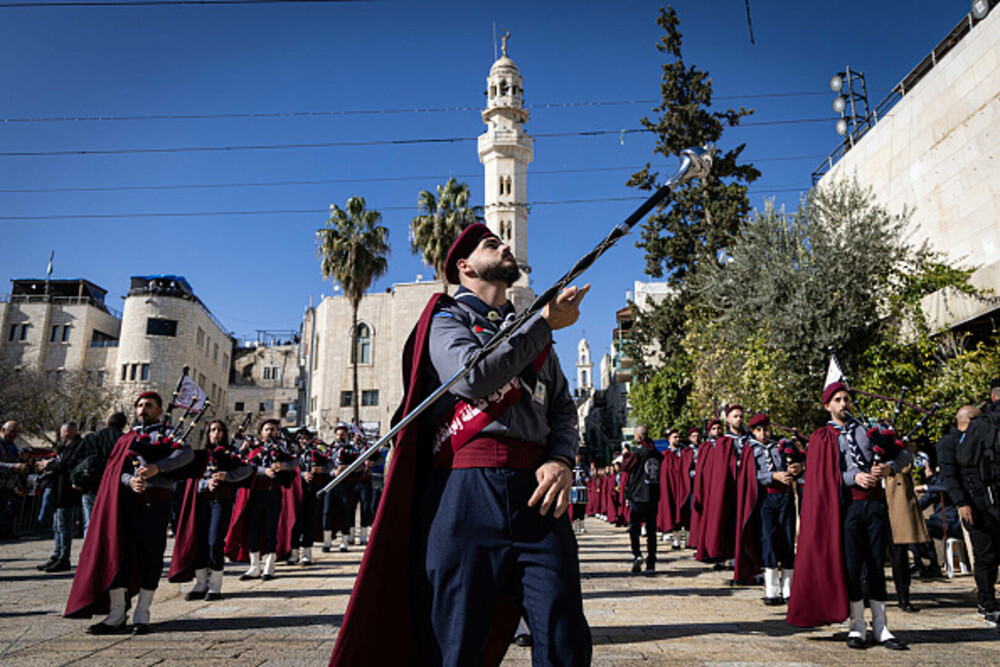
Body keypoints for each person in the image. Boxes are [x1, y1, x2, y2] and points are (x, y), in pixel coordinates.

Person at [329, 223, 591, 666]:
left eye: (502, 242)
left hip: (538, 493)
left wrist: (562, 458)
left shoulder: (533, 330)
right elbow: (473, 377)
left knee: (563, 635)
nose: (505, 246)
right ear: (465, 267)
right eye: (492, 244)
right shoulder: (447, 320)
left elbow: (563, 408)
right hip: (463, 491)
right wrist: (543, 325)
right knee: (456, 640)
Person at [787, 382, 908, 650]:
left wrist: (889, 468)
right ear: (827, 406)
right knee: (852, 567)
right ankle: (857, 625)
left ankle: (881, 626)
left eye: (846, 399)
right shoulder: (821, 437)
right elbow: (821, 476)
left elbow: (903, 453)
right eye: (838, 400)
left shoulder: (868, 429)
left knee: (876, 564)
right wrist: (853, 477)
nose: (844, 404)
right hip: (847, 508)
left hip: (875, 505)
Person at [65, 391, 195, 635]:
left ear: (159, 410)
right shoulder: (126, 438)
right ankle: (116, 615)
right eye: (140, 405)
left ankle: (142, 614)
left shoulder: (170, 434)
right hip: (126, 505)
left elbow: (186, 454)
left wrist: (157, 467)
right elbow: (116, 470)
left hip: (155, 504)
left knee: (150, 557)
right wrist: (129, 481)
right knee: (118, 555)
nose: (143, 409)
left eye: (149, 405)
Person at [169, 420, 253, 600]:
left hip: (221, 501)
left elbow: (247, 469)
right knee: (200, 540)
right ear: (207, 433)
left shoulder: (231, 453)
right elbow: (191, 480)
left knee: (215, 541)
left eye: (220, 430)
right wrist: (206, 484)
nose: (216, 433)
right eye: (212, 430)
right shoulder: (200, 455)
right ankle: (201, 584)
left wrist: (226, 476)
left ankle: (215, 585)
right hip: (201, 501)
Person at [939, 390, 1000, 615]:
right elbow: (950, 476)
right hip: (972, 505)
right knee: (984, 554)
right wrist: (962, 502)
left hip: (990, 501)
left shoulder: (982, 441)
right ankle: (986, 599)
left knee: (993, 553)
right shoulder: (949, 443)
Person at [226, 419, 297, 581]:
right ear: (261, 432)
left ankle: (269, 567)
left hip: (273, 494)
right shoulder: (254, 449)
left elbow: (295, 461)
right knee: (253, 530)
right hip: (254, 495)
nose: (269, 432)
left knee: (271, 530)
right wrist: (263, 470)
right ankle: (254, 566)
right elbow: (244, 466)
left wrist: (284, 466)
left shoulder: (282, 449)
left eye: (273, 429)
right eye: (266, 429)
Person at [740, 414, 801, 603]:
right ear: (753, 432)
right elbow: (750, 475)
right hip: (766, 498)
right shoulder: (750, 449)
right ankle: (772, 590)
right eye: (759, 430)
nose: (764, 434)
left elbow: (799, 463)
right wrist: (773, 476)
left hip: (786, 497)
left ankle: (788, 589)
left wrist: (796, 468)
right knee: (769, 539)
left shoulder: (781, 445)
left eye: (766, 429)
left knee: (788, 538)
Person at [37, 422, 88, 573]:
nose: (60, 435)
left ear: (67, 432)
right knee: (57, 525)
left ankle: (63, 558)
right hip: (59, 490)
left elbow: (65, 465)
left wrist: (48, 465)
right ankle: (57, 554)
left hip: (66, 491)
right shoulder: (66, 447)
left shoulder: (77, 446)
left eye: (62, 431)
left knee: (64, 526)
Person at [73, 413, 127, 536]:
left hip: (91, 485)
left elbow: (75, 459)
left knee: (90, 524)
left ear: (107, 423)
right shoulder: (124, 440)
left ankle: (89, 547)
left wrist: (76, 480)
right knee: (112, 525)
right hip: (114, 487)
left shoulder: (92, 438)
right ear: (123, 425)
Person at [624, 425, 664, 573]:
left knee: (634, 528)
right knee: (651, 531)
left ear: (639, 437)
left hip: (638, 494)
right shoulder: (657, 453)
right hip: (653, 494)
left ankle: (637, 554)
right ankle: (651, 562)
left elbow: (625, 467)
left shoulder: (637, 453)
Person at [288, 430, 329, 566]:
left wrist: (320, 469)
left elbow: (330, 464)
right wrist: (302, 474)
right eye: (301, 439)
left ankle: (307, 552)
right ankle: (294, 552)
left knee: (310, 520)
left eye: (306, 439)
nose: (304, 441)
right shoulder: (291, 453)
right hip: (295, 491)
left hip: (312, 490)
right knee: (296, 522)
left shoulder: (316, 452)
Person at [0, 421, 28, 540]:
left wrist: (18, 485)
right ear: (3, 430)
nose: (14, 435)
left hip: (9, 486)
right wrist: (12, 466)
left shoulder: (13, 446)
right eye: (12, 432)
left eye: (16, 432)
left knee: (7, 512)